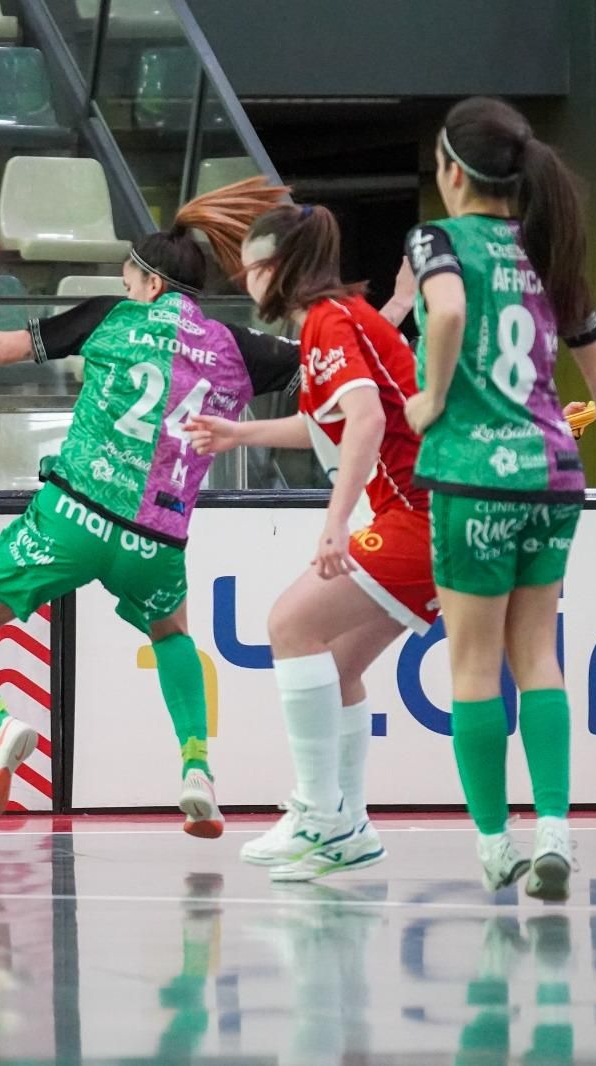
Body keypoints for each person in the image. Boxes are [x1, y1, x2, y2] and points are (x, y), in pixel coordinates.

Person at [0, 178, 303, 832]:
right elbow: (327, 365)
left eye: (128, 279)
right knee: (172, 634)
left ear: (150, 284)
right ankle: (196, 767)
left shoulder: (107, 317)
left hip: (74, 516)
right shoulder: (241, 348)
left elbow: (3, 351)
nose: (124, 289)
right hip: (157, 538)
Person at [402, 96, 596, 900]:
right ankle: (555, 827)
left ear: (451, 170)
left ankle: (495, 845)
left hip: (473, 477)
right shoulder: (549, 252)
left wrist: (430, 400)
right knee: (538, 657)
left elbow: (445, 311)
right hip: (554, 477)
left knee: (474, 664)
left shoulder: (436, 240)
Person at [185, 202, 434, 881]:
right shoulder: (343, 317)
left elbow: (363, 422)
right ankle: (345, 823)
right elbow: (327, 421)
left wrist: (334, 522)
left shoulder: (327, 321)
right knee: (338, 666)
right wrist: (240, 433)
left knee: (289, 624)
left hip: (419, 516)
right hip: (431, 518)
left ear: (281, 268)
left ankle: (320, 814)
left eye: (254, 268)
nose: (246, 282)